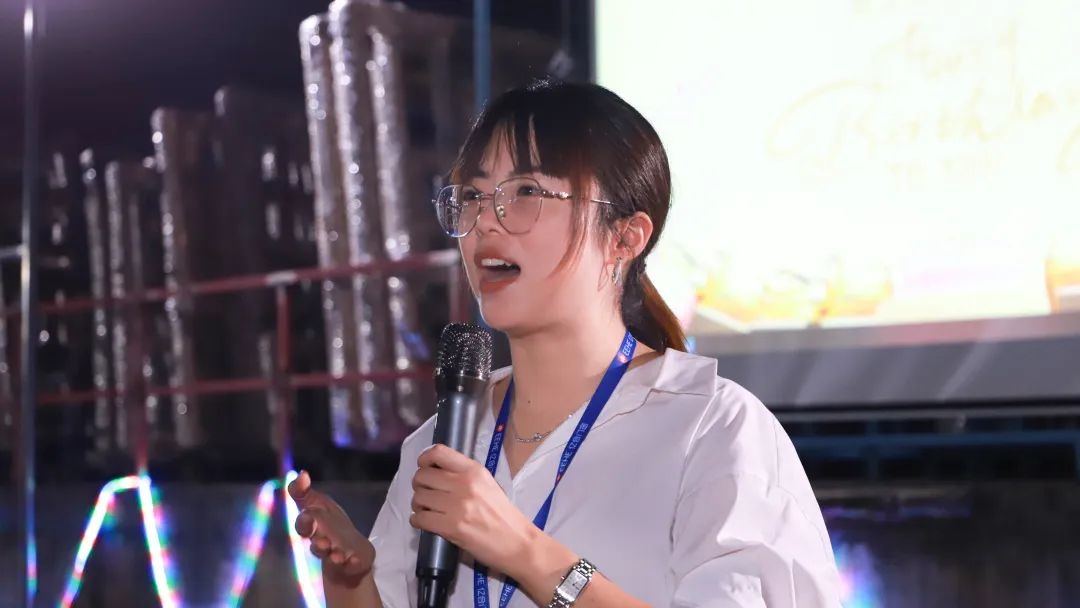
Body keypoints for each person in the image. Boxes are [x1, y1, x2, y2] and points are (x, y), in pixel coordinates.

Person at [288, 80, 841, 608]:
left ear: (624, 237)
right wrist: (351, 580)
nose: (486, 222)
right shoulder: (441, 442)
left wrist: (526, 552)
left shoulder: (712, 429)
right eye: (474, 196)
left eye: (526, 192)